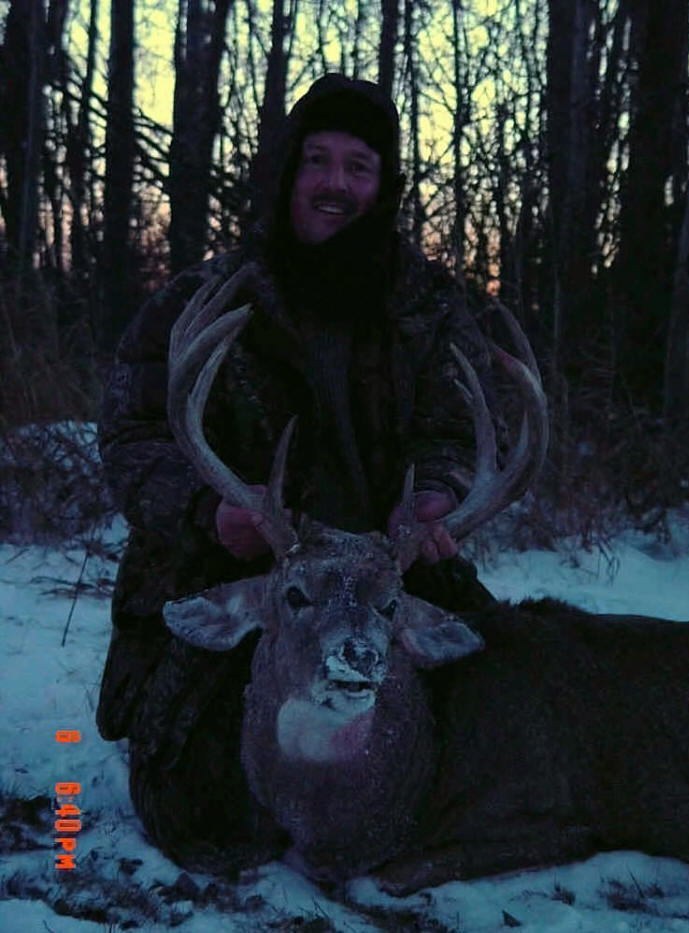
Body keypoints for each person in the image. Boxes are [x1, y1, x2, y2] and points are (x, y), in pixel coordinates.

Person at [95, 74, 495, 868]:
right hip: (243, 568)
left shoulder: (430, 305)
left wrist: (437, 496)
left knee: (501, 711)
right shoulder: (205, 298)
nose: (336, 184)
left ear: (383, 187)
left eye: (359, 166)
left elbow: (460, 424)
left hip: (385, 575)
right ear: (287, 174)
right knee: (204, 810)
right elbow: (131, 431)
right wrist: (209, 514)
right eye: (317, 160)